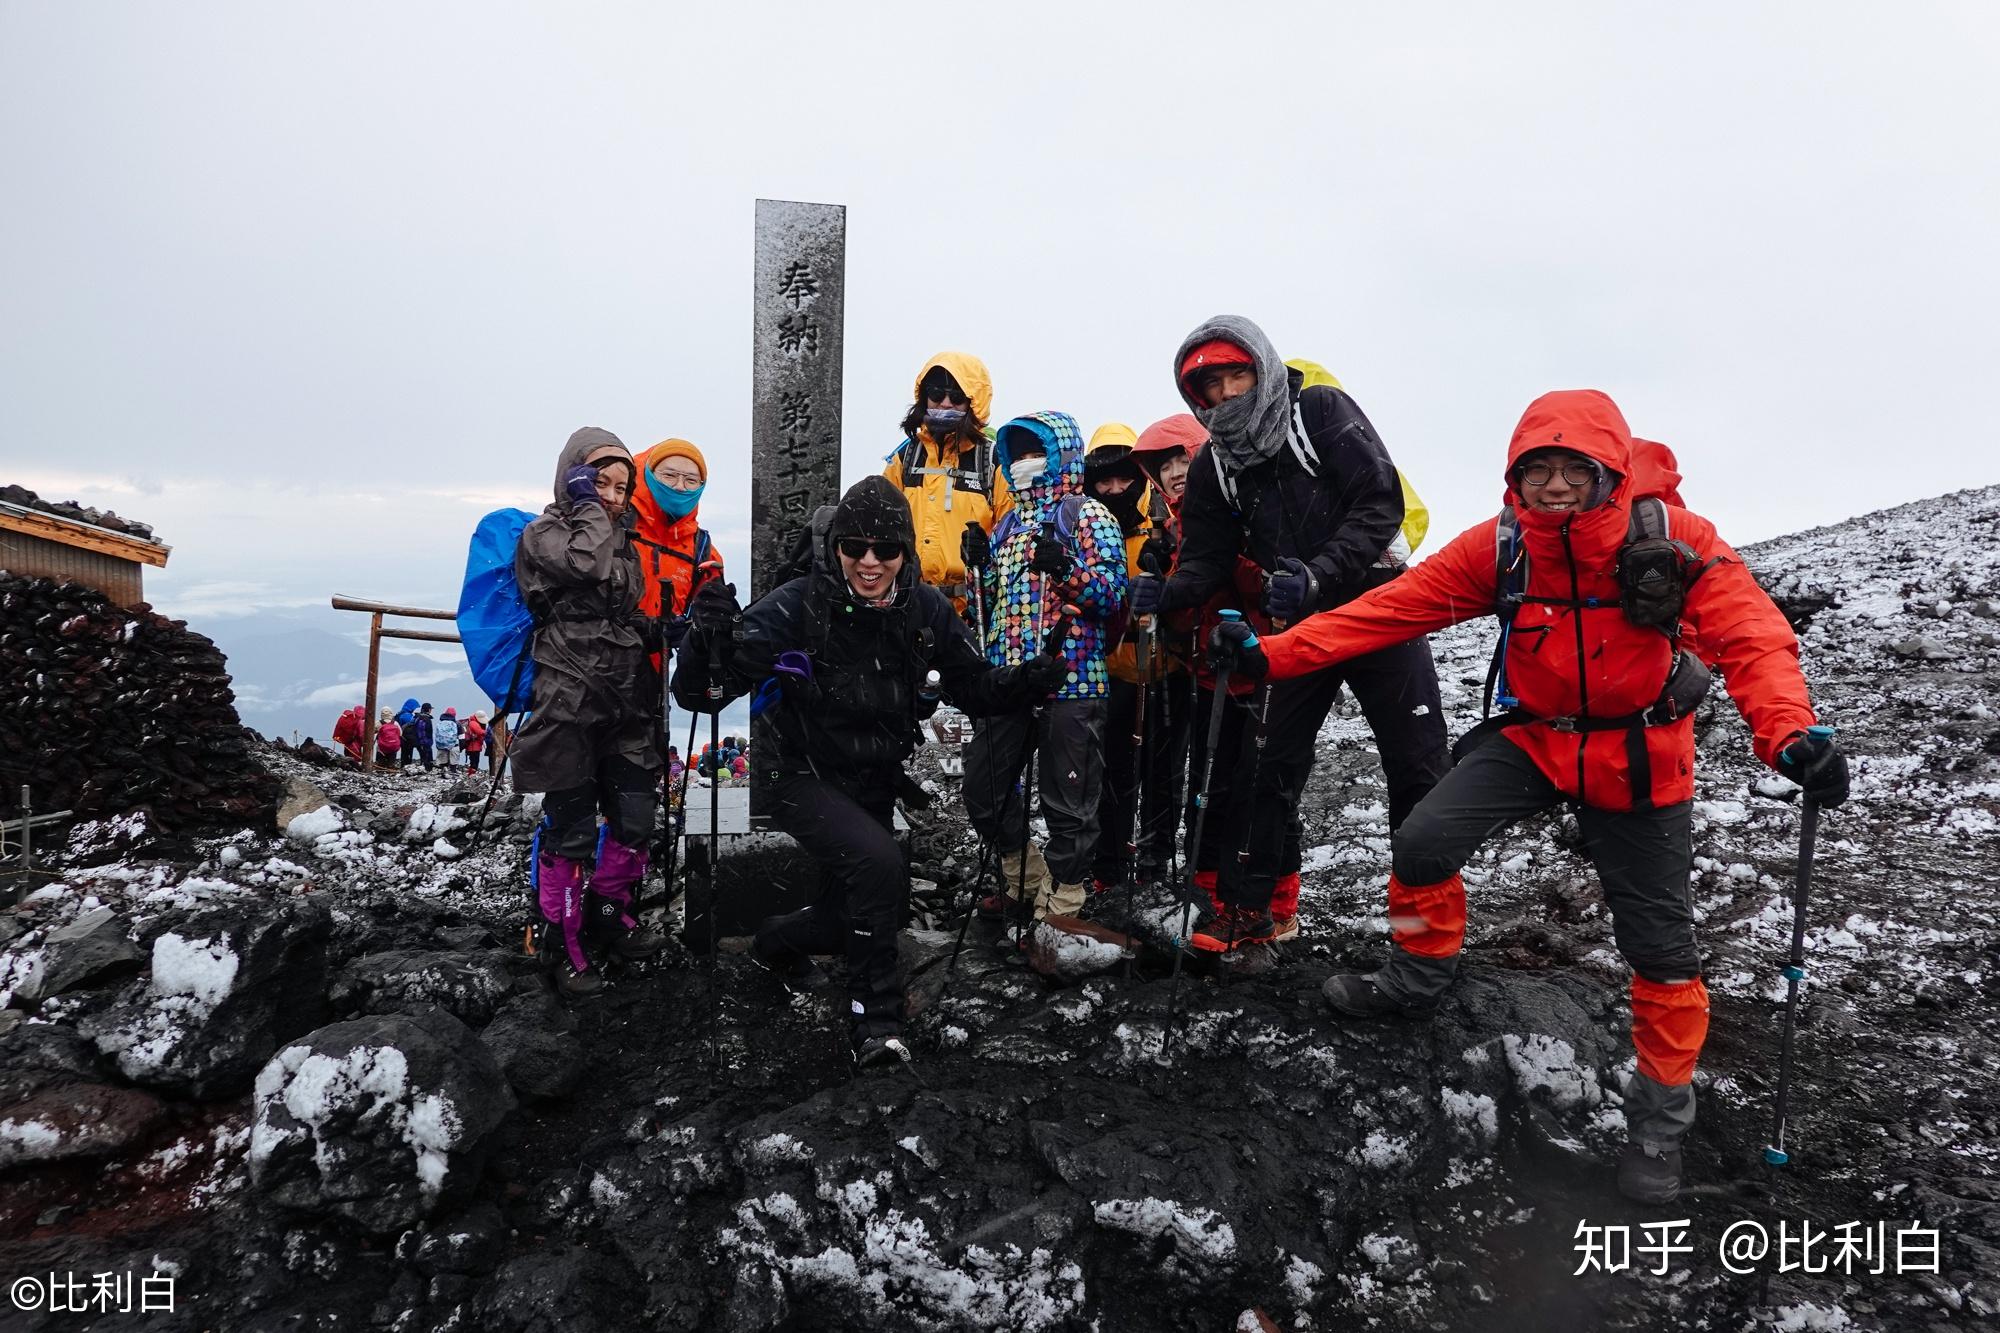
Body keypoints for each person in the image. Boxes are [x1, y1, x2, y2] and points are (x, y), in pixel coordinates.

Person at [1210, 388, 1850, 1204]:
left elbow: (1751, 635)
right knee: (1422, 840)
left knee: (1660, 949)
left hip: (1638, 754)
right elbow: (1382, 612)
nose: (1552, 486)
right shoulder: (1504, 550)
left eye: (1571, 468)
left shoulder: (1676, 542)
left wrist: (1788, 734)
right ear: (1514, 478)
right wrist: (1272, 656)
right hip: (1537, 737)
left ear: (1609, 471)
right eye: (1535, 469)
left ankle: (1659, 1123)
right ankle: (1419, 970)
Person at [674, 475, 1064, 1068]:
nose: (869, 561)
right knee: (880, 865)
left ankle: (773, 942)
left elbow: (975, 688)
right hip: (797, 774)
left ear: (906, 551)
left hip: (873, 778)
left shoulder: (924, 608)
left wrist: (1027, 680)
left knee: (843, 916)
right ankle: (875, 1022)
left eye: (886, 549)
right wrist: (706, 642)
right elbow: (701, 696)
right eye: (854, 547)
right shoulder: (796, 604)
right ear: (835, 548)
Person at [1130, 316, 1451, 953]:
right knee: (1265, 763)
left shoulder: (1320, 411)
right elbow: (1208, 556)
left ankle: (1423, 933)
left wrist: (1318, 573)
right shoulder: (1214, 465)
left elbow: (1379, 501)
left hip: (1378, 600)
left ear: (1263, 367)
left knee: (1415, 768)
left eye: (1235, 376)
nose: (1224, 396)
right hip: (1300, 618)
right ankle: (1252, 913)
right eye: (1209, 387)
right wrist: (1168, 592)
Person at [508, 427, 669, 997]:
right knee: (571, 833)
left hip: (625, 698)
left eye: (621, 487)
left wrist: (663, 628)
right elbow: (584, 566)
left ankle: (607, 915)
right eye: (598, 479)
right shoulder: (543, 534)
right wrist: (586, 507)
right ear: (571, 475)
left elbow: (612, 613)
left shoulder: (620, 541)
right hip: (568, 704)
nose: (611, 495)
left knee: (634, 820)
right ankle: (562, 942)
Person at [962, 411, 1128, 927]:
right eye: (1018, 454)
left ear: (1062, 455)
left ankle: (1062, 904)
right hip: (1011, 677)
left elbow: (1111, 593)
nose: (1026, 464)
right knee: (985, 790)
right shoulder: (1008, 523)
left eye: (1037, 452)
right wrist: (978, 565)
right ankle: (1023, 876)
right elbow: (988, 606)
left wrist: (1067, 568)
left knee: (1069, 799)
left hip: (1073, 680)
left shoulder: (1089, 516)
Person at [881, 353, 1012, 614]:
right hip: (907, 603)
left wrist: (985, 557)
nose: (945, 403)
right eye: (937, 393)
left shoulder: (993, 461)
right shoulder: (904, 459)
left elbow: (1010, 536)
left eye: (957, 397)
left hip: (972, 609)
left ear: (974, 401)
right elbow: (881, 526)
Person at [629, 437, 724, 670]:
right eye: (669, 475)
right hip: (591, 674)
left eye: (691, 480)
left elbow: (706, 621)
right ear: (647, 474)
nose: (680, 486)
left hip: (651, 684)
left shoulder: (702, 550)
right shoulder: (616, 527)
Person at [395, 696, 421, 769]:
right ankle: (406, 766)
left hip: (401, 737)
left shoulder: (400, 713)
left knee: (404, 752)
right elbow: (411, 725)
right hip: (407, 738)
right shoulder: (407, 716)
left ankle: (403, 765)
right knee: (408, 752)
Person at [413, 703, 436, 771]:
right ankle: (427, 770)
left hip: (418, 742)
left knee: (422, 756)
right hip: (425, 742)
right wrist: (428, 742)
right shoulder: (427, 719)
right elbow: (427, 732)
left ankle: (423, 768)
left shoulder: (417, 717)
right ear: (429, 710)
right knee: (428, 758)